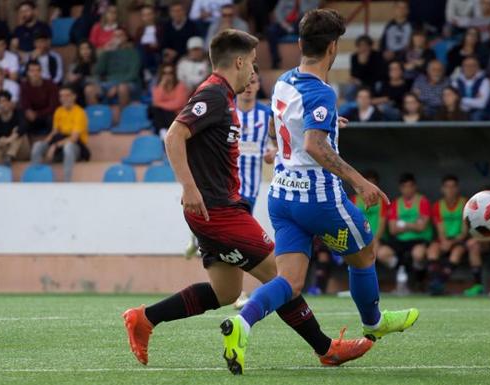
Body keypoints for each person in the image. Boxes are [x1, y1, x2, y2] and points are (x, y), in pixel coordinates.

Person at [122, 29, 372, 374]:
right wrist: (189, 187)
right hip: (219, 212)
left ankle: (144, 318)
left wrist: (327, 123)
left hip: (217, 210)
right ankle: (326, 348)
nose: (253, 72)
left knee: (225, 292)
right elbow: (174, 135)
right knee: (281, 280)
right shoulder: (211, 95)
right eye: (252, 64)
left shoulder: (221, 97)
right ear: (238, 61)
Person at [220, 10, 418, 374]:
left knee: (290, 282)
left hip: (281, 195)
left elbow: (295, 126)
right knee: (365, 253)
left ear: (299, 45)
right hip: (318, 198)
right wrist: (360, 182)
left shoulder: (283, 81)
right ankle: (374, 322)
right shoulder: (321, 91)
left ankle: (243, 322)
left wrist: (330, 124)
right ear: (333, 48)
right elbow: (313, 145)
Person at [378, 173, 432, 292]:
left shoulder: (422, 201)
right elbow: (393, 229)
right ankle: (402, 269)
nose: (408, 189)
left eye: (410, 186)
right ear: (400, 188)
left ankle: (419, 280)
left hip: (419, 239)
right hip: (400, 240)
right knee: (382, 253)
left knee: (418, 254)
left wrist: (403, 224)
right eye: (404, 186)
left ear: (415, 187)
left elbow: (422, 227)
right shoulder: (396, 203)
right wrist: (414, 224)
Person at [30, 86, 89, 182]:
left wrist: (54, 146)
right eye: (61, 96)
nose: (64, 99)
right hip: (59, 145)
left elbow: (74, 139)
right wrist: (45, 144)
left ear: (74, 97)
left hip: (77, 147)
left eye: (67, 95)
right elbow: (54, 132)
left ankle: (67, 182)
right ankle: (35, 180)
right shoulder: (58, 111)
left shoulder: (80, 113)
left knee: (69, 147)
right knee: (37, 146)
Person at [236, 68, 272, 211]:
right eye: (244, 82)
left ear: (258, 85)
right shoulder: (225, 111)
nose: (248, 86)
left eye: (252, 82)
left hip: (250, 191)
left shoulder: (267, 115)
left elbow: (284, 141)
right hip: (223, 190)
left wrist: (274, 151)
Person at [427, 175, 469, 296]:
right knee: (433, 250)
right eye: (447, 187)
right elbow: (440, 229)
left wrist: (453, 241)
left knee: (457, 252)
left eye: (453, 187)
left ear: (457, 189)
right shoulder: (437, 205)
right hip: (444, 239)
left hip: (459, 240)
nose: (450, 190)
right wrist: (444, 241)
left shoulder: (465, 203)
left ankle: (439, 283)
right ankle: (435, 283)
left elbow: (464, 232)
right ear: (442, 189)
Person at [88, 28, 141, 109]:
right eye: (115, 36)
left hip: (128, 83)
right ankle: (97, 117)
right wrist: (105, 52)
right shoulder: (108, 53)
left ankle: (124, 118)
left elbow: (133, 74)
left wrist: (116, 86)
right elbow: (97, 71)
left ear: (126, 37)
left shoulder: (133, 53)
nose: (117, 38)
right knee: (89, 89)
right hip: (109, 82)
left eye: (120, 35)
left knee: (122, 88)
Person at [267, 0, 321, 69]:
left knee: (310, 30)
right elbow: (277, 12)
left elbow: (309, 13)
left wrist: (301, 2)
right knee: (271, 31)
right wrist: (284, 24)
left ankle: (306, 59)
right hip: (285, 24)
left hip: (301, 24)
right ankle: (276, 60)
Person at [0, 90, 29, 164]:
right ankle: (0, 172)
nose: (4, 104)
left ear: (10, 102)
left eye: (6, 101)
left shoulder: (18, 112)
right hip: (5, 147)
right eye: (1, 102)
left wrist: (10, 139)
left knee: (17, 131)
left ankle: (10, 156)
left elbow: (24, 126)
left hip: (21, 150)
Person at [20, 60, 59, 135]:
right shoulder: (24, 86)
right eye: (32, 71)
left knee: (52, 118)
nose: (35, 73)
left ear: (41, 72)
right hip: (33, 117)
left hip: (46, 115)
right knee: (22, 117)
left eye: (38, 70)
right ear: (27, 73)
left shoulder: (50, 84)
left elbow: (53, 106)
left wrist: (37, 114)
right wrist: (28, 112)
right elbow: (25, 104)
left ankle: (51, 141)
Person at [151, 63, 189, 135]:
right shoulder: (157, 87)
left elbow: (178, 104)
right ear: (161, 74)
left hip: (177, 116)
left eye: (170, 73)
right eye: (164, 73)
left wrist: (160, 104)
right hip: (164, 116)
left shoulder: (180, 86)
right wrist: (162, 85)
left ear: (174, 74)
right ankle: (162, 131)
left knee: (160, 109)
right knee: (155, 109)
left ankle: (162, 131)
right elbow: (155, 102)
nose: (168, 75)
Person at [452, 56, 490, 121]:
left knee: (477, 116)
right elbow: (453, 101)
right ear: (462, 67)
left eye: (473, 65)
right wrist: (474, 100)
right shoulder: (456, 81)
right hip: (460, 111)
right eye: (466, 65)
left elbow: (481, 104)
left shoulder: (485, 81)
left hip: (477, 112)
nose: (469, 68)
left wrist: (461, 99)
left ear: (478, 67)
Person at [65, 41, 96, 106]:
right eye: (82, 49)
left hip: (91, 87)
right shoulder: (73, 65)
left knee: (88, 89)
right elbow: (66, 81)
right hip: (76, 87)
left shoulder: (96, 64)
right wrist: (70, 78)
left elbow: (98, 79)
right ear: (79, 51)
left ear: (91, 50)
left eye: (87, 48)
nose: (85, 51)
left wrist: (81, 77)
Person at [135, 4, 163, 77]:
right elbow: (137, 44)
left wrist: (157, 44)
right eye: (144, 15)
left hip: (155, 54)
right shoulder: (139, 30)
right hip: (143, 55)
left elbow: (163, 43)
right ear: (142, 17)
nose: (147, 17)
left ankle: (150, 72)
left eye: (149, 14)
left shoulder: (160, 28)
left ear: (153, 15)